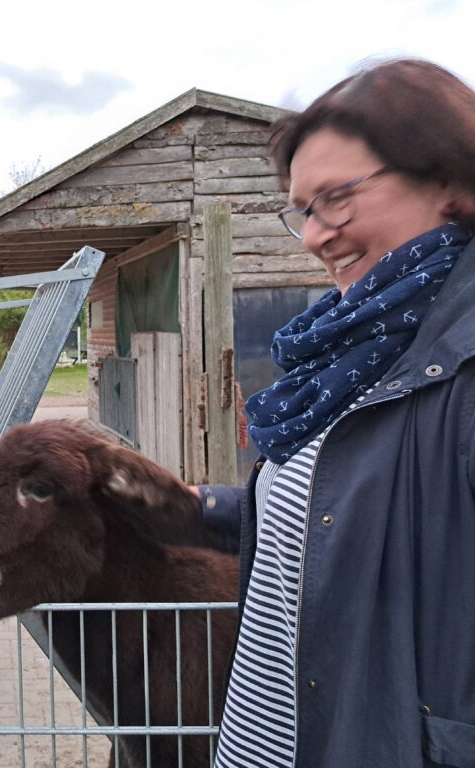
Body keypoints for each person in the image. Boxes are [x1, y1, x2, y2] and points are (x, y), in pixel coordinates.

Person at [195, 58, 475, 768]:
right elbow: (354, 513)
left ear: (448, 181)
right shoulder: (354, 352)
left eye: (338, 198)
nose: (317, 235)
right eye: (303, 211)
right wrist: (205, 506)